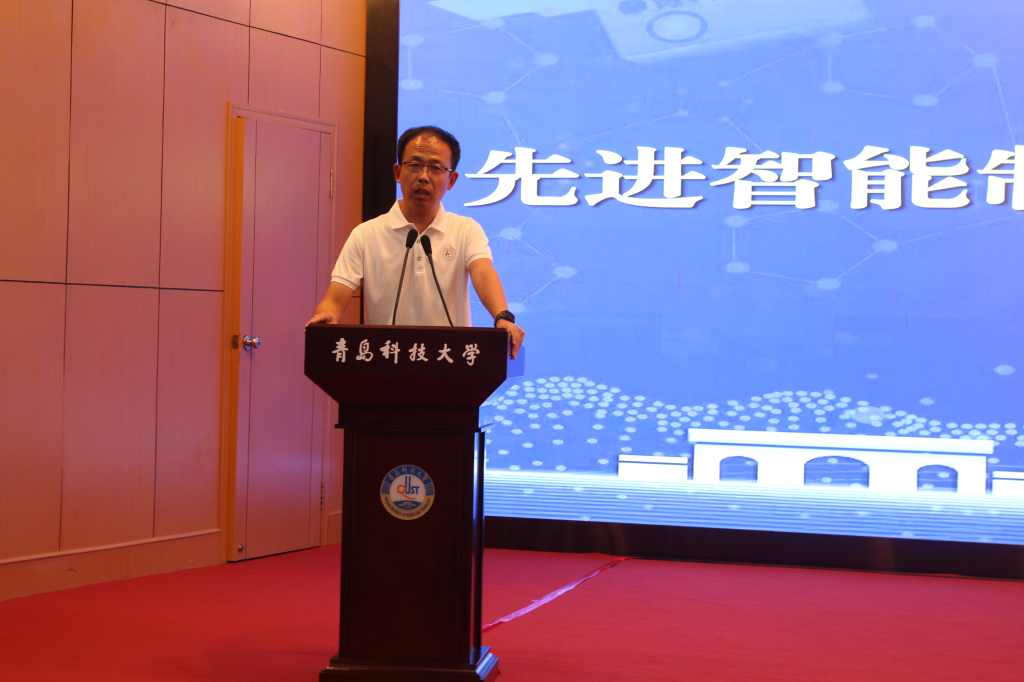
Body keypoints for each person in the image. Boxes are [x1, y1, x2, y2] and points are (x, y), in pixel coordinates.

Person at [306, 126, 525, 359]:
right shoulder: (366, 234)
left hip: (449, 362)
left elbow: (482, 271)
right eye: (415, 165)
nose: (423, 176)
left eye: (436, 168)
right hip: (385, 362)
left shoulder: (465, 230)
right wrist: (327, 315)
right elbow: (334, 300)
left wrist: (503, 317)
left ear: (451, 179)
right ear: (398, 172)